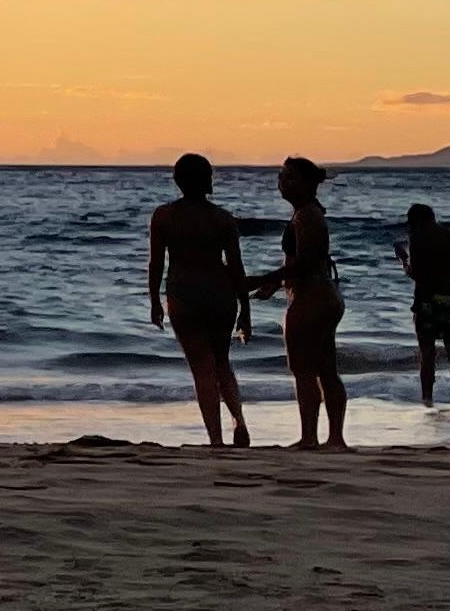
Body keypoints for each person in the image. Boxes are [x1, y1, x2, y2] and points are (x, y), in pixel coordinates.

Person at [144, 154, 255, 450]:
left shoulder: (164, 216)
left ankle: (216, 439)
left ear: (177, 181)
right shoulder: (222, 218)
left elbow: (156, 263)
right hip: (220, 293)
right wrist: (246, 308)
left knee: (202, 369)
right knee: (221, 362)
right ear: (208, 180)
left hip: (184, 294)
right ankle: (238, 419)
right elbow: (236, 267)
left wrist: (154, 300)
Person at [252, 157, 348, 448]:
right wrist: (274, 284)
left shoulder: (306, 216)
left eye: (290, 177)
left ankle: (309, 437)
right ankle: (334, 438)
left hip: (311, 297)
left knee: (304, 370)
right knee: (326, 370)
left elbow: (305, 262)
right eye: (281, 176)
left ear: (307, 184)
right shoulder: (308, 213)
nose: (283, 182)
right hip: (323, 295)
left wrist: (262, 277)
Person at [397, 203, 450, 407]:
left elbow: (417, 274)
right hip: (448, 296)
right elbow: (449, 269)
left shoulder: (417, 238)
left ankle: (427, 398)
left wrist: (403, 260)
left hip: (426, 299)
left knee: (427, 352)